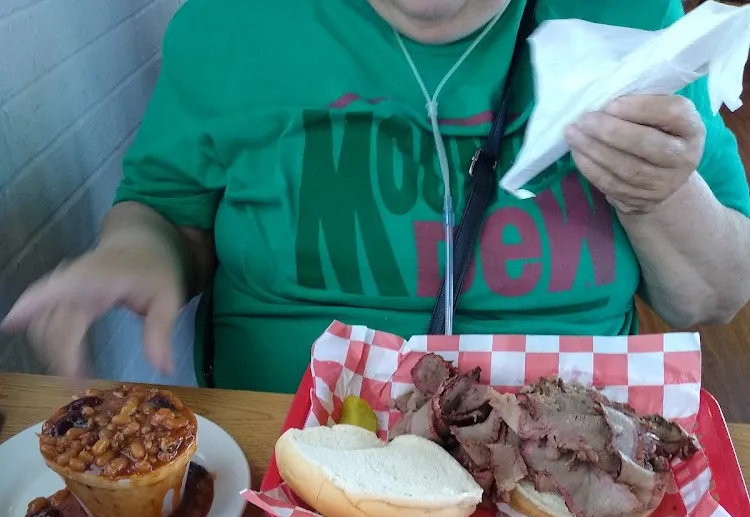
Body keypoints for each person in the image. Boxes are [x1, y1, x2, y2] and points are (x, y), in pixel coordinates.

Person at [3, 0, 750, 393]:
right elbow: (168, 212)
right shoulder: (232, 22)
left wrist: (659, 195)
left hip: (573, 475)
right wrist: (138, 253)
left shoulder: (632, 18)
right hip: (289, 465)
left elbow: (716, 295)